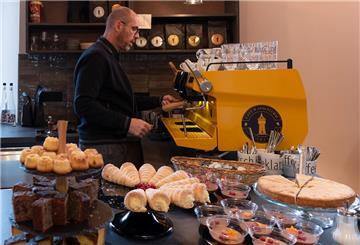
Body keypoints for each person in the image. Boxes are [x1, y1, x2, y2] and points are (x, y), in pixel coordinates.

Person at [73, 7, 176, 166]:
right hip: (103, 147)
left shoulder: (108, 55)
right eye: (134, 29)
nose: (138, 36)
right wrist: (127, 123)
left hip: (112, 145)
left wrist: (159, 100)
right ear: (119, 26)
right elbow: (83, 105)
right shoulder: (96, 56)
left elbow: (121, 101)